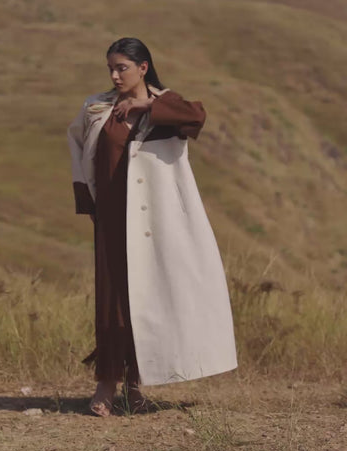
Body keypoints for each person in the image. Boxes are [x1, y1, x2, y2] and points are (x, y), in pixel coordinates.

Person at [67, 37, 237, 417]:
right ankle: (106, 384)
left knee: (148, 300)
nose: (114, 76)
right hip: (112, 219)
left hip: (157, 222)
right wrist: (89, 203)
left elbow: (197, 116)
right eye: (110, 68)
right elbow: (77, 147)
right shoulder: (98, 108)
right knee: (113, 302)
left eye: (122, 68)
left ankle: (135, 387)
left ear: (143, 68)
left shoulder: (167, 107)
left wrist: (146, 105)